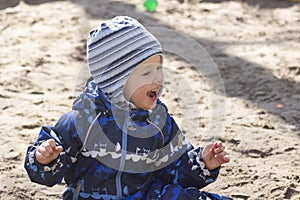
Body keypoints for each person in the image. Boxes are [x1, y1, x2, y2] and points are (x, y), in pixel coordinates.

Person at [24, 16, 231, 200]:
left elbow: (174, 173)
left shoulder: (159, 121)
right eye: (146, 73)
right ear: (117, 81)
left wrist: (201, 163)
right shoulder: (82, 120)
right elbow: (46, 173)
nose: (158, 79)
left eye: (159, 69)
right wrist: (45, 160)